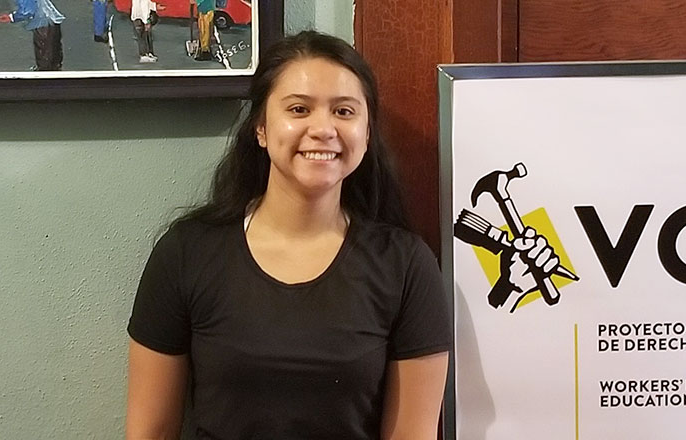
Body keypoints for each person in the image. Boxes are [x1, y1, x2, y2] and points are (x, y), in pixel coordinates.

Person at [125, 31, 452, 438]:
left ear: (367, 133)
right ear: (261, 128)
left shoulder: (406, 266)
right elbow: (150, 432)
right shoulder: (186, 253)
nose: (323, 129)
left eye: (344, 112)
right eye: (299, 109)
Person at [0, 0, 64, 71]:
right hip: (51, 21)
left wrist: (11, 17)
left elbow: (28, 12)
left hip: (43, 24)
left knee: (45, 61)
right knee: (54, 60)